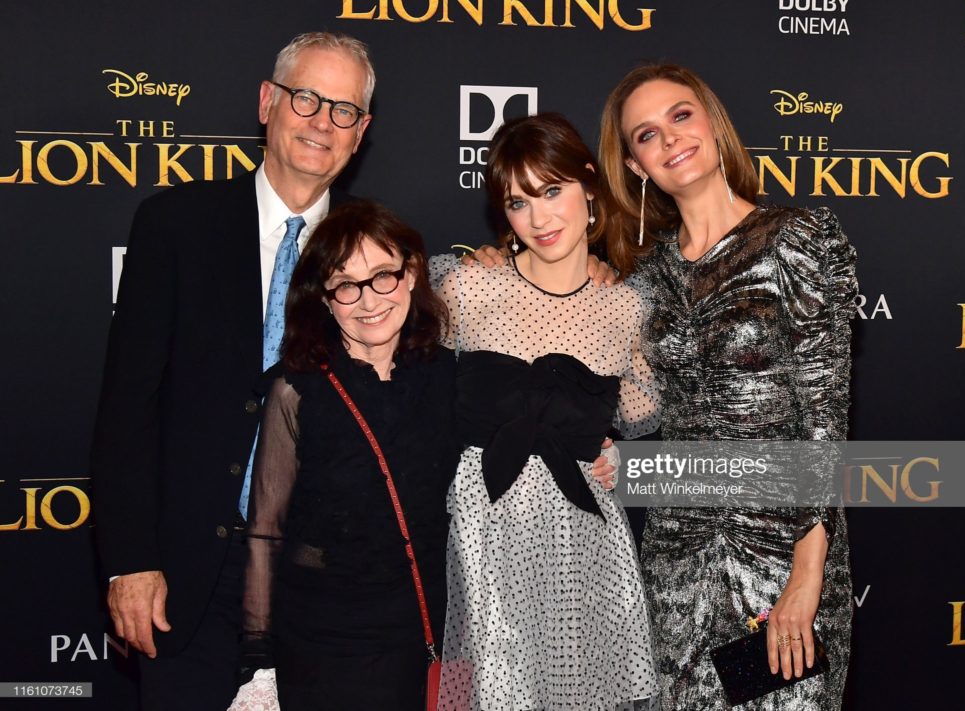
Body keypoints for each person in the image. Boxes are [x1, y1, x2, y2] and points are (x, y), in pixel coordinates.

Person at [89, 32, 373, 710]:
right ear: (268, 102)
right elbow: (128, 406)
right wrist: (130, 558)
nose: (321, 122)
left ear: (360, 135)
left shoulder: (376, 251)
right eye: (307, 98)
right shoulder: (175, 225)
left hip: (325, 591)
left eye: (343, 110)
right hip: (189, 582)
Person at [598, 64, 856, 709]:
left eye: (681, 116)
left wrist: (806, 575)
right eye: (646, 135)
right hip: (676, 561)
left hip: (780, 550)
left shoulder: (795, 241)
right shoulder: (644, 279)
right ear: (635, 165)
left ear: (712, 123)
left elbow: (824, 421)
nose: (670, 140)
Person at [435, 113, 660, 710]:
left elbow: (643, 415)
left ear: (589, 184)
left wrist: (614, 452)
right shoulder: (466, 287)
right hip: (483, 521)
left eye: (551, 191)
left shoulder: (627, 308)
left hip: (585, 531)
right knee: (484, 688)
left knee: (588, 692)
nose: (538, 219)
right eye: (517, 202)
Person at [239, 200, 460, 709]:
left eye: (384, 275)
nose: (368, 300)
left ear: (411, 274)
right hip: (324, 641)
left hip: (431, 627)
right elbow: (266, 533)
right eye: (346, 285)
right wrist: (258, 652)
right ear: (324, 299)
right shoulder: (296, 389)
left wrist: (603, 453)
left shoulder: (451, 375)